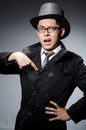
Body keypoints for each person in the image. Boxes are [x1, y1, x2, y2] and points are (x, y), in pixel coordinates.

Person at [0, 2, 86, 130]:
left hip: (51, 125)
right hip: (24, 124)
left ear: (61, 31)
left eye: (51, 28)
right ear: (37, 31)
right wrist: (14, 55)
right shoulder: (27, 54)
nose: (45, 33)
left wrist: (71, 113)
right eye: (41, 28)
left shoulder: (74, 61)